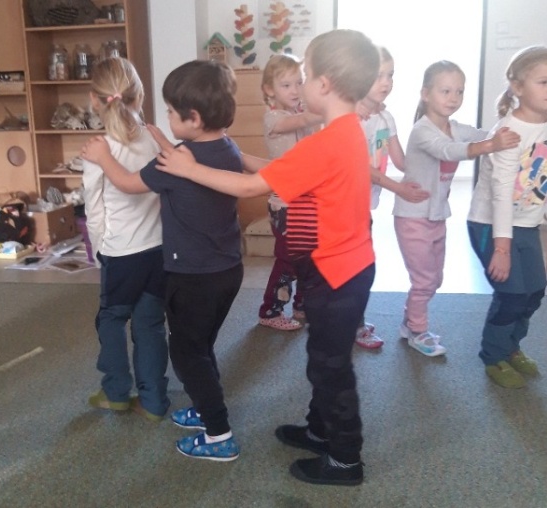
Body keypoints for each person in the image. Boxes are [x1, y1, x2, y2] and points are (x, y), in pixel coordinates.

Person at [153, 29, 381, 486]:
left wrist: (191, 168)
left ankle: (345, 460)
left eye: (306, 75)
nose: (302, 85)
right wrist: (235, 155)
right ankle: (319, 431)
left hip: (336, 274)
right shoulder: (343, 133)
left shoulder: (326, 142)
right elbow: (277, 171)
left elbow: (251, 188)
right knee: (324, 356)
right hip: (341, 269)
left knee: (330, 367)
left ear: (324, 84)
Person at [81, 59, 243, 461]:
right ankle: (180, 405)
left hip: (181, 270)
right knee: (187, 339)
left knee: (178, 350)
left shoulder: (168, 158)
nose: (166, 118)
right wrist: (162, 142)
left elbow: (122, 186)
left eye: (171, 112)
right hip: (213, 265)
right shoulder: (223, 148)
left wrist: (103, 158)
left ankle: (217, 433)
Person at [392, 60, 520, 357]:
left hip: (437, 216)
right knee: (424, 280)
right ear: (426, 94)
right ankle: (417, 330)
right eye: (445, 91)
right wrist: (490, 146)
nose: (453, 98)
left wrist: (521, 128)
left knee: (434, 279)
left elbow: (483, 133)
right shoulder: (422, 131)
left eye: (459, 91)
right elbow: (448, 150)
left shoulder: (455, 128)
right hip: (412, 217)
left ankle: (409, 322)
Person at [467, 46, 547, 388]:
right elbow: (501, 193)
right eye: (543, 81)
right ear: (517, 86)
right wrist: (502, 249)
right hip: (490, 224)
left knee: (534, 291)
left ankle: (511, 347)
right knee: (511, 294)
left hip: (525, 223)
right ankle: (493, 355)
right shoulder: (509, 132)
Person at [82, 57, 169, 421]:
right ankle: (153, 401)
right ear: (139, 94)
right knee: (150, 325)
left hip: (121, 254)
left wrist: (99, 251)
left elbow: (94, 209)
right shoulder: (153, 138)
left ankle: (116, 392)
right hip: (158, 250)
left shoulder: (98, 150)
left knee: (111, 320)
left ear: (94, 99)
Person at [354, 46, 430, 349]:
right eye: (378, 75)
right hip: (344, 206)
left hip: (364, 206)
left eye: (390, 75)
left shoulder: (385, 118)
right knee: (358, 269)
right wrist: (399, 189)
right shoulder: (350, 118)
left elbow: (401, 160)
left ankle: (351, 319)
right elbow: (362, 168)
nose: (386, 82)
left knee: (362, 267)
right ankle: (352, 325)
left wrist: (433, 156)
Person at [257, 54, 322, 331]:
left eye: (299, 82)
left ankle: (302, 305)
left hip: (307, 202)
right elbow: (296, 123)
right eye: (286, 85)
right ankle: (270, 311)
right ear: (269, 90)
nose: (295, 90)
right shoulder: (273, 118)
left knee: (309, 257)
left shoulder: (301, 114)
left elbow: (315, 138)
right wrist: (329, 109)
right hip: (284, 205)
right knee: (288, 261)